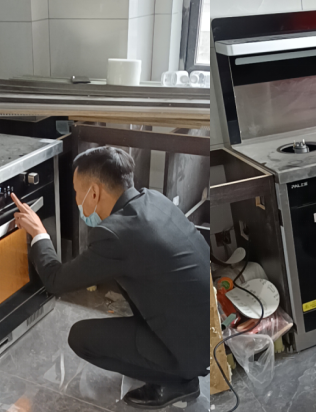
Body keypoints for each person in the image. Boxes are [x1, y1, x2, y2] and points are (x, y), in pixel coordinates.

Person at [11, 146, 209, 409]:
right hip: (203, 331)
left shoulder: (116, 235)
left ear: (94, 193)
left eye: (77, 191)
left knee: (80, 338)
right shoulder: (154, 200)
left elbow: (55, 281)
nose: (77, 199)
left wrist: (39, 233)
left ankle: (177, 381)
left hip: (191, 351)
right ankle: (171, 364)